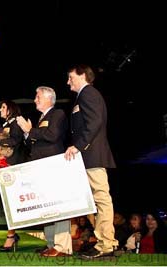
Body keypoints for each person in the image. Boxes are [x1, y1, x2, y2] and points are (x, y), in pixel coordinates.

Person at [64, 64, 118, 259]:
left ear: (82, 76)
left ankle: (106, 244)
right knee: (94, 200)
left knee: (101, 198)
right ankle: (104, 241)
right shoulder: (84, 95)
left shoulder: (88, 94)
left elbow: (95, 122)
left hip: (92, 154)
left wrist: (78, 145)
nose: (68, 81)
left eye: (70, 77)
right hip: (88, 155)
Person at [16, 86, 71, 256]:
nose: (35, 100)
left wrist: (29, 130)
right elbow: (35, 142)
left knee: (59, 207)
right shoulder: (41, 118)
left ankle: (63, 247)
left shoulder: (58, 114)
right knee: (45, 207)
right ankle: (50, 244)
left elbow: (52, 135)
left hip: (53, 167)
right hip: (41, 168)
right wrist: (28, 135)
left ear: (49, 98)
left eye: (38, 96)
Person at [0, 100, 25, 252]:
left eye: (3, 107)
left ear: (10, 110)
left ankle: (11, 236)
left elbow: (15, 141)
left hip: (14, 168)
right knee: (8, 204)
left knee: (12, 203)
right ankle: (12, 234)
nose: (0, 109)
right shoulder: (7, 125)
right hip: (5, 168)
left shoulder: (16, 123)